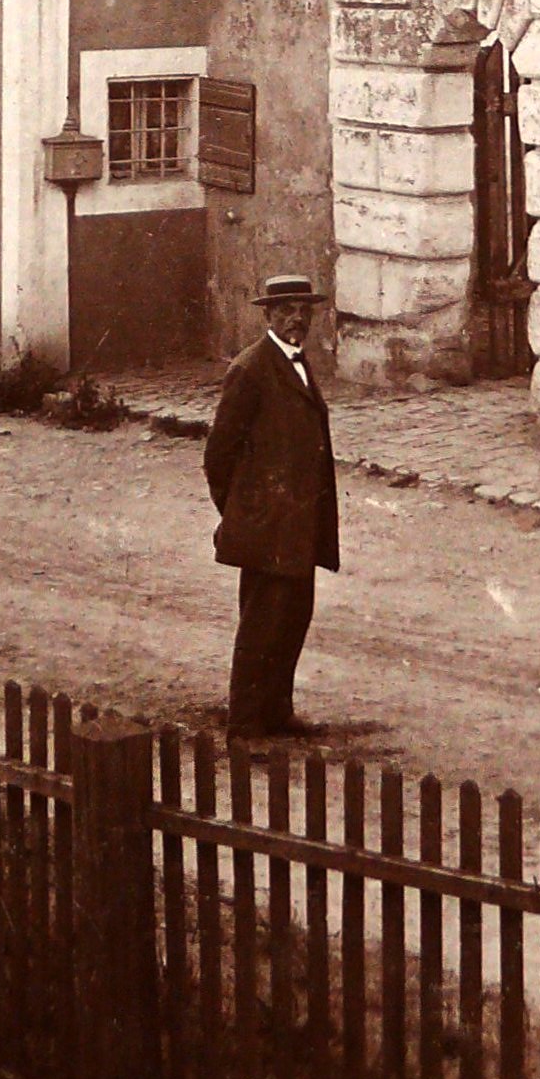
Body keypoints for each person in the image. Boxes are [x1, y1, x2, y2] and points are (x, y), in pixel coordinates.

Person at [203, 272, 339, 742]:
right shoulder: (251, 369)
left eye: (303, 310)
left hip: (299, 524)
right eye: (285, 310)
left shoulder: (297, 363)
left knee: (293, 619)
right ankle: (244, 724)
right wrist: (245, 514)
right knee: (261, 626)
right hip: (269, 527)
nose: (296, 318)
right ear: (269, 315)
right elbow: (218, 455)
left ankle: (277, 711)